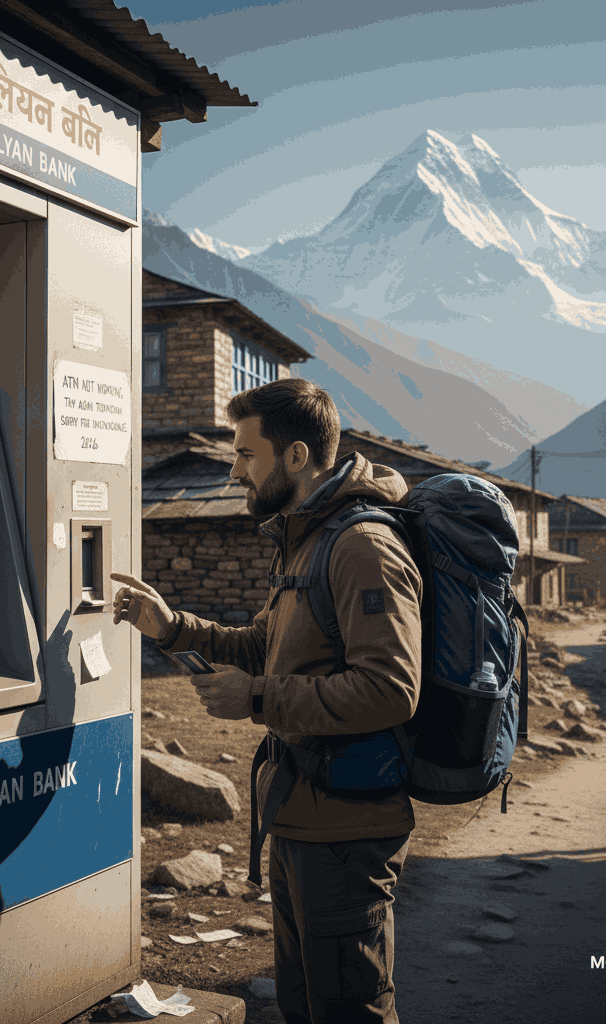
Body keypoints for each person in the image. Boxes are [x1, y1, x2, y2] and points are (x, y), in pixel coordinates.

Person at [112, 378, 421, 1024]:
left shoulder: (362, 547)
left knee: (352, 1012)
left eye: (247, 454)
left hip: (348, 829)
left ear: (297, 458)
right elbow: (262, 644)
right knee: (305, 1007)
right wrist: (170, 627)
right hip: (302, 820)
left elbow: (391, 689)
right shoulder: (307, 540)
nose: (234, 468)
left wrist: (257, 699)